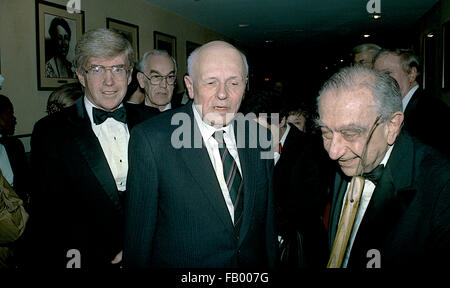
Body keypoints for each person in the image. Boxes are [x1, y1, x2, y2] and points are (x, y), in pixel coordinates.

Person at [123, 40, 278, 268]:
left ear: (246, 85)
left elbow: (267, 226)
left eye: (234, 82)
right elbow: (139, 239)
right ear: (190, 85)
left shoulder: (260, 138)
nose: (223, 94)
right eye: (211, 82)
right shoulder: (152, 140)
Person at [31, 28, 153, 269]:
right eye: (97, 69)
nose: (109, 81)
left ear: (130, 76)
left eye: (118, 69)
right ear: (80, 75)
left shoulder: (152, 122)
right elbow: (48, 219)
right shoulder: (51, 132)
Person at [316, 65, 450, 268]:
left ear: (392, 126)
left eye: (350, 134)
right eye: (326, 132)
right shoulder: (349, 158)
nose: (333, 152)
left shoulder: (441, 184)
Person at [241, 90, 331, 268]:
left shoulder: (312, 148)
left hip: (300, 250)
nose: (257, 137)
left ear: (281, 120)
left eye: (261, 129)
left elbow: (310, 204)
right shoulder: (250, 147)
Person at [373, 48, 450, 156]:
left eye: (388, 73)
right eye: (378, 76)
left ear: (411, 74)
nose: (381, 81)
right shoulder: (392, 108)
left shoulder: (432, 110)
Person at [0, 95, 29, 206]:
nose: (14, 119)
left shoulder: (15, 145)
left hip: (17, 207)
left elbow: (25, 182)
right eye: (10, 113)